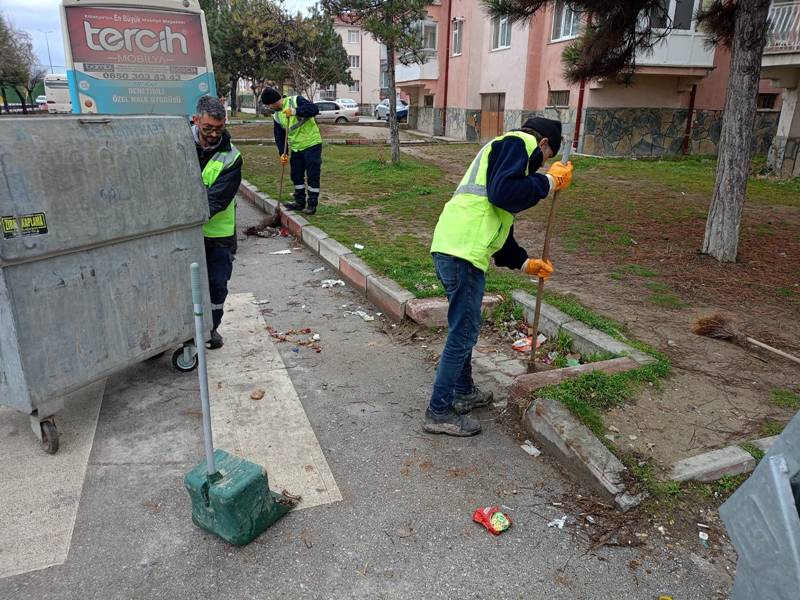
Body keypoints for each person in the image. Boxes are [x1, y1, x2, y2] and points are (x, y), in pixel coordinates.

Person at [424, 117, 574, 437]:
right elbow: (503, 194)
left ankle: (463, 391)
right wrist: (547, 183)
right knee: (463, 332)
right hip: (462, 252)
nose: (539, 165)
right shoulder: (521, 143)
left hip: (455, 247)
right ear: (544, 144)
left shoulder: (504, 150)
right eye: (544, 160)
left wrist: (525, 263)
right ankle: (439, 411)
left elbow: (498, 221)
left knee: (465, 326)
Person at [192, 95, 242, 349]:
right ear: (196, 120)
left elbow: (217, 200)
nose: (213, 134)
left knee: (216, 285)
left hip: (217, 237)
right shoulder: (177, 144)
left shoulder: (232, 157)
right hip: (182, 236)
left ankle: (211, 329)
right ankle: (177, 331)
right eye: (207, 128)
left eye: (218, 129)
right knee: (179, 285)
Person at [260, 87, 322, 215]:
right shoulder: (277, 115)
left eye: (270, 105)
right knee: (296, 175)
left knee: (312, 175)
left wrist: (296, 111)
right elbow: (279, 136)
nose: (270, 107)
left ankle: (312, 204)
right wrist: (283, 153)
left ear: (275, 101)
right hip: (296, 147)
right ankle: (299, 202)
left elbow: (314, 109)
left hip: (311, 143)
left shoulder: (296, 100)